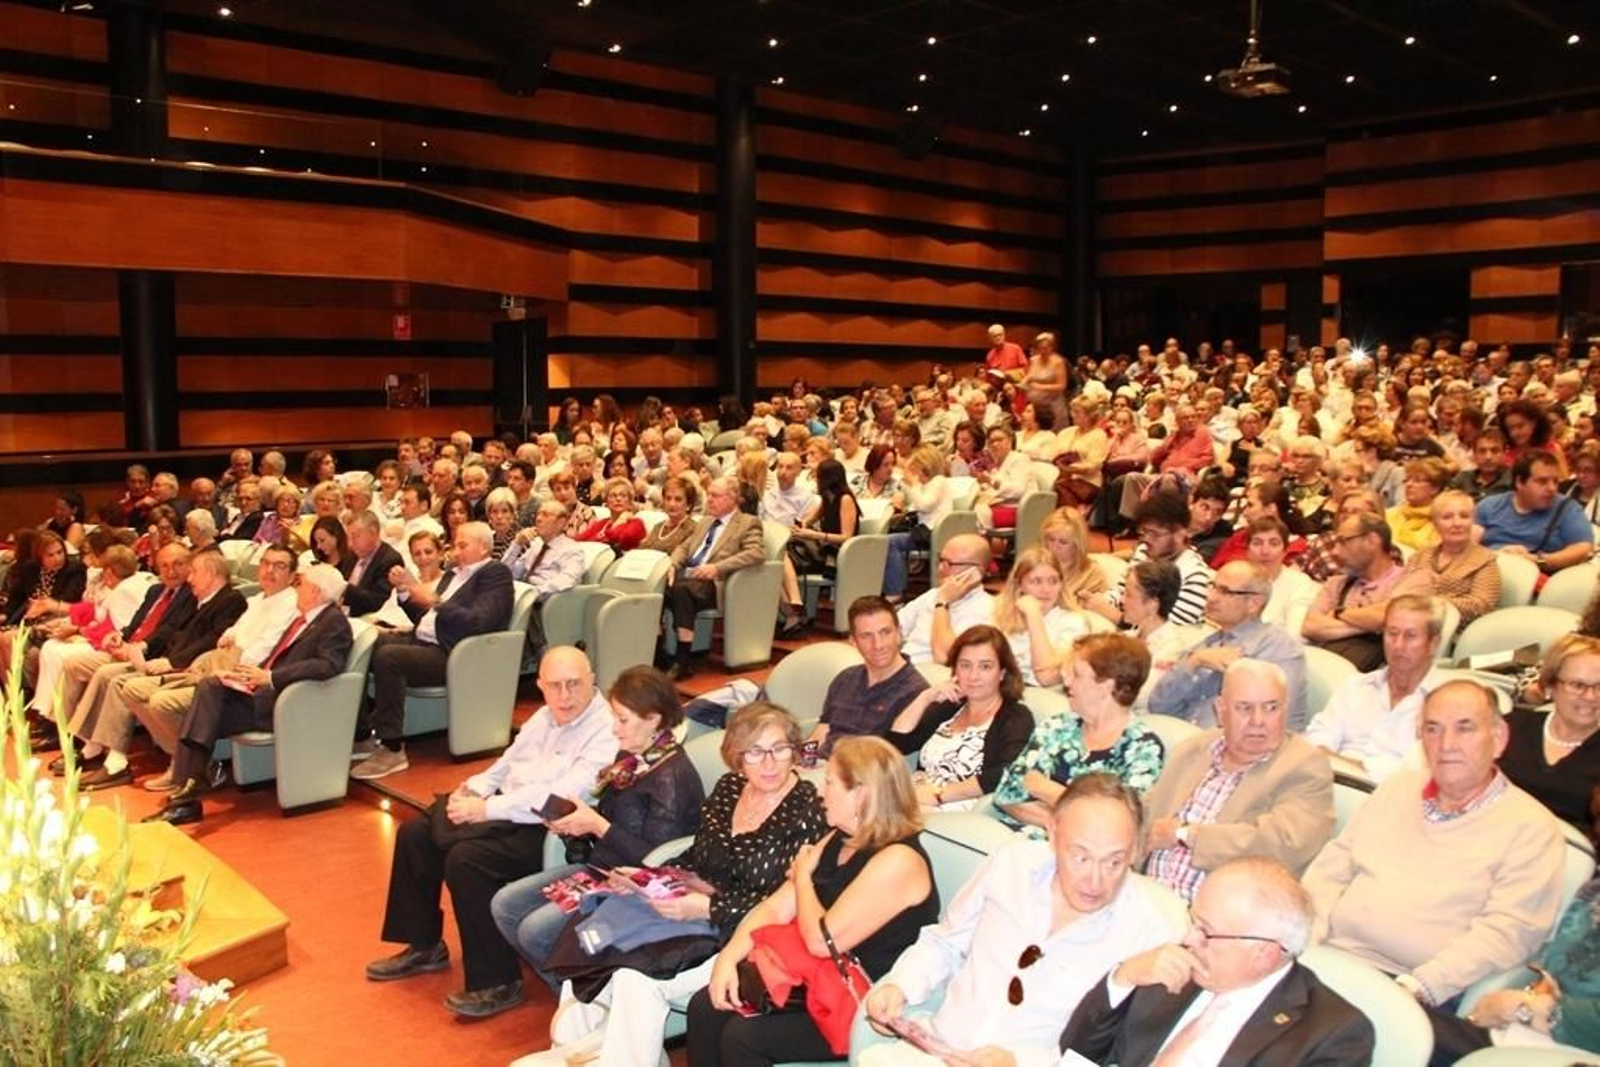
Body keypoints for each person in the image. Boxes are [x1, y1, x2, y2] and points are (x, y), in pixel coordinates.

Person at [513, 704, 829, 1067]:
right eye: (755, 752)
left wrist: (708, 906)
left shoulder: (808, 810)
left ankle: (610, 1056)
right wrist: (654, 876)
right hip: (692, 913)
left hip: (747, 935)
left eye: (780, 748)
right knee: (591, 938)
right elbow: (698, 853)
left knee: (634, 979)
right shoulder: (730, 789)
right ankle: (582, 1050)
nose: (769, 763)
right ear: (737, 758)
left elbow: (784, 903)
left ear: (795, 749)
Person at [863, 776, 1187, 1066]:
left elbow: (1109, 1054)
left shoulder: (1151, 932)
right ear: (1053, 833)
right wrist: (900, 985)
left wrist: (1018, 1061)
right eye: (1081, 856)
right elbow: (946, 942)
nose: (1095, 880)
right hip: (933, 1052)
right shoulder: (1012, 864)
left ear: (1134, 851)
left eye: (1115, 861)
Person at [366, 647, 617, 1019]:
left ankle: (497, 981)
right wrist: (474, 789)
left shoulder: (605, 729)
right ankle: (424, 945)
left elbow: (562, 798)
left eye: (574, 684)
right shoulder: (543, 717)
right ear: (540, 686)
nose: (564, 696)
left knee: (467, 861)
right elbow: (505, 764)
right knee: (416, 833)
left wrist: (485, 809)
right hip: (506, 808)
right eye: (554, 686)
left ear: (592, 681)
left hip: (551, 829)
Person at [1304, 679, 1565, 1016]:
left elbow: (1508, 932)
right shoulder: (1397, 787)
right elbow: (1333, 868)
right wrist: (1309, 939)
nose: (1446, 745)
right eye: (1433, 729)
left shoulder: (1532, 829)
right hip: (1329, 960)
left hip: (1412, 989)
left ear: (1498, 738)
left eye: (1465, 729)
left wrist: (1422, 985)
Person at [686, 735, 940, 1067]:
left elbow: (823, 941)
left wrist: (804, 878)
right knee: (706, 1006)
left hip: (863, 1002)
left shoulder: (900, 861)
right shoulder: (840, 837)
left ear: (860, 794)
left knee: (744, 1038)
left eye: (830, 783)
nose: (821, 793)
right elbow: (776, 907)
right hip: (816, 981)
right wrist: (728, 960)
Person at [490, 666, 704, 987]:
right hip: (602, 867)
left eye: (622, 719)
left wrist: (598, 826)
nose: (614, 729)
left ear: (653, 719)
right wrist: (578, 820)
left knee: (534, 931)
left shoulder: (671, 777)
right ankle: (573, 990)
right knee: (505, 905)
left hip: (636, 885)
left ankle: (580, 996)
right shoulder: (632, 758)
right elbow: (610, 814)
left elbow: (656, 859)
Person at [1059, 857, 1375, 1067]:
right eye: (1193, 920)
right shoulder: (1173, 970)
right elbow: (1077, 1053)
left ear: (1264, 953)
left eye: (1206, 931)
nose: (1189, 938)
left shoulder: (1333, 1033)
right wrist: (1123, 979)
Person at [143, 563, 353, 826]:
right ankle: (191, 787)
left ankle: (191, 788)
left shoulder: (333, 623)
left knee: (205, 701)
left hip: (283, 704)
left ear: (315, 591)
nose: (297, 588)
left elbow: (328, 665)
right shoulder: (304, 619)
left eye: (301, 584)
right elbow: (276, 656)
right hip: (259, 692)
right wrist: (247, 674)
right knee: (209, 690)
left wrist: (271, 677)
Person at [1143, 659, 1335, 900]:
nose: (1258, 720)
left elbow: (1285, 845)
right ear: (1220, 710)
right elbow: (1147, 811)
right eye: (1244, 708)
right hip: (1144, 897)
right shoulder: (1193, 750)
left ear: (1285, 709)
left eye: (1271, 707)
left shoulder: (1305, 766)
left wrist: (1186, 835)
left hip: (1220, 916)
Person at [352, 522, 515, 780]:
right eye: (455, 544)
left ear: (483, 548)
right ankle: (362, 733)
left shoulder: (495, 574)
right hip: (426, 640)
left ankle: (392, 747)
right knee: (365, 643)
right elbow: (425, 617)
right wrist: (405, 592)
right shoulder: (452, 574)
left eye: (463, 545)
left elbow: (481, 621)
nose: (456, 551)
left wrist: (437, 602)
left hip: (455, 653)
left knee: (389, 657)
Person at [994, 635, 1164, 838]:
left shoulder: (1143, 749)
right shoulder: (1057, 726)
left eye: (1076, 674)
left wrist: (1044, 789)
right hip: (1010, 839)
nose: (1066, 682)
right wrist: (1068, 819)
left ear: (1106, 686)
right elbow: (1006, 795)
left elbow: (1114, 826)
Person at [1147, 560, 1310, 730]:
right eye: (1213, 586)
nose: (1211, 597)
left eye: (1225, 592)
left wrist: (1239, 668)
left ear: (1253, 603)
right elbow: (1158, 705)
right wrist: (1193, 662)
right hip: (1190, 739)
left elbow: (1270, 723)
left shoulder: (1279, 647)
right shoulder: (1207, 645)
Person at [887, 624, 1035, 810]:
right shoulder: (949, 708)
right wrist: (926, 697)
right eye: (965, 665)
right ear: (955, 670)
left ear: (1002, 673)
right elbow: (896, 743)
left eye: (985, 666)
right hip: (914, 801)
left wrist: (939, 794)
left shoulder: (1016, 717)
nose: (973, 676)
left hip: (958, 813)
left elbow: (1005, 773)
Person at [1305, 595, 1447, 782]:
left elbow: (1419, 772)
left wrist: (1351, 767)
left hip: (1394, 802)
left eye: (1410, 636)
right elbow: (1315, 740)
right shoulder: (1355, 686)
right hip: (1329, 786)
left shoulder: (1445, 703)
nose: (1398, 645)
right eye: (1392, 633)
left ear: (1433, 644)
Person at [1302, 511, 1434, 672]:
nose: (1335, 551)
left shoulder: (1415, 579)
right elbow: (1310, 626)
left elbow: (1393, 616)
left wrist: (1338, 613)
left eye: (1344, 541)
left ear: (1372, 541)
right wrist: (1374, 625)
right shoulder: (1337, 582)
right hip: (1326, 673)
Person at [933, 548, 1086, 687]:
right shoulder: (1000, 613)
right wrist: (942, 602)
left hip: (1036, 698)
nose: (1046, 590)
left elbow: (1045, 676)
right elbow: (946, 656)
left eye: (1053, 581)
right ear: (1019, 586)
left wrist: (1034, 616)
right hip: (994, 690)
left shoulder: (1074, 622)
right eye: (1036, 581)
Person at [662, 477, 766, 680]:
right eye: (708, 494)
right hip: (690, 575)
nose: (709, 500)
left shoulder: (748, 523)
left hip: (715, 582)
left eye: (715, 495)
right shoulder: (706, 521)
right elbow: (684, 547)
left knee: (682, 590)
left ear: (733, 498)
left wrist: (718, 568)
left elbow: (755, 553)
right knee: (659, 586)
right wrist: (673, 564)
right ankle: (659, 651)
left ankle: (683, 660)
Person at [806, 597, 929, 758]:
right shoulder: (845, 679)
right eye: (866, 636)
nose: (878, 645)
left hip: (861, 777)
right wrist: (800, 763)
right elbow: (820, 735)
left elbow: (890, 762)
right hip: (821, 769)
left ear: (899, 634)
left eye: (885, 632)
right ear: (853, 642)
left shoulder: (916, 692)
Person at [1500, 634, 1600, 829]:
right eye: (1577, 685)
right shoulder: (1509, 729)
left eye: (1599, 687)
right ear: (1549, 688)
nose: (1590, 696)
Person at [1089, 493, 1214, 629]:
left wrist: (1117, 617)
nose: (1146, 539)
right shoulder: (1144, 552)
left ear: (1179, 534)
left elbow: (1173, 632)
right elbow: (1121, 592)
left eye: (1154, 533)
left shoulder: (1195, 574)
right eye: (1144, 532)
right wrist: (1097, 602)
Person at [1476, 449, 1595, 574]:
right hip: (1487, 572)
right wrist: (1499, 555)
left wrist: (1537, 560)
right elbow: (1467, 545)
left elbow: (1583, 548)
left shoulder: (1567, 509)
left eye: (1555, 481)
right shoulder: (1490, 506)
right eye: (1542, 481)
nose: (1552, 488)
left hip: (1538, 580)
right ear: (1519, 482)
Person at [778, 459, 859, 637]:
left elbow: (847, 537)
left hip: (837, 554)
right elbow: (809, 519)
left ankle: (795, 606)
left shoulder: (845, 499)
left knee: (780, 557)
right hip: (824, 548)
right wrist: (801, 526)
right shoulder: (827, 499)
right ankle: (793, 609)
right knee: (775, 561)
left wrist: (813, 535)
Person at [1402, 488, 1501, 624]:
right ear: (1435, 524)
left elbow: (1482, 606)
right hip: (1410, 622)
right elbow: (1400, 590)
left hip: (1455, 631)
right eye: (1447, 517)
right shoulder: (1420, 555)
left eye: (1464, 516)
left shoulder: (1485, 560)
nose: (1457, 523)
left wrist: (1430, 601)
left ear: (1472, 521)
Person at [895, 534, 994, 666]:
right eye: (941, 560)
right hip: (903, 668)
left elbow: (944, 657)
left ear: (976, 571)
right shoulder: (932, 595)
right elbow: (894, 628)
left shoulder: (987, 609)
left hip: (933, 676)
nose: (940, 568)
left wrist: (942, 602)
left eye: (950, 564)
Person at [1247, 516, 1318, 637]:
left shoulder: (1300, 585)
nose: (1265, 551)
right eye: (1257, 543)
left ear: (1285, 551)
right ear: (1247, 550)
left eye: (1274, 544)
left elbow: (1295, 634)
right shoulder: (1235, 578)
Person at [340, 511, 405, 617]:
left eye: (355, 536)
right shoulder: (350, 555)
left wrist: (343, 588)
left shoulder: (390, 560)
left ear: (373, 533)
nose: (350, 544)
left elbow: (377, 601)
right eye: (348, 538)